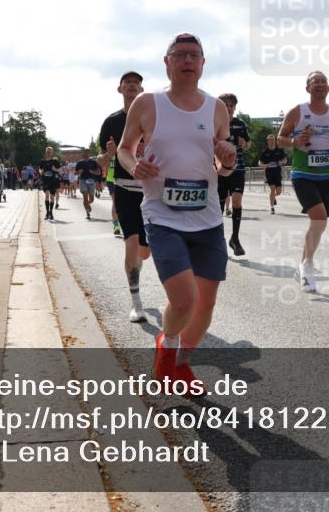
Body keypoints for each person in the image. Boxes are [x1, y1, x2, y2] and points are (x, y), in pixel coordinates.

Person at [117, 33, 236, 391]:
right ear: (167, 62)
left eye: (194, 55)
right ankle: (166, 347)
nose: (187, 60)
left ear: (202, 64)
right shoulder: (147, 103)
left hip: (208, 217)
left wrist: (228, 162)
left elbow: (222, 164)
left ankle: (180, 365)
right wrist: (134, 164)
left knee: (205, 303)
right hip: (162, 215)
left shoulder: (216, 108)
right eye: (179, 54)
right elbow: (125, 149)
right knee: (185, 299)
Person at [277, 71, 329, 292]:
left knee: (321, 220)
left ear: (328, 88)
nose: (320, 84)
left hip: (327, 175)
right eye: (315, 82)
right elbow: (281, 139)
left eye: (324, 82)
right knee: (318, 216)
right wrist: (296, 141)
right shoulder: (297, 112)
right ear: (307, 88)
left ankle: (303, 264)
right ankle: (308, 265)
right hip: (303, 174)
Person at [99, 70, 152, 322]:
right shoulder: (111, 122)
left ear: (142, 89)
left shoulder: (153, 117)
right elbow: (102, 160)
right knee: (131, 243)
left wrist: (147, 147)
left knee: (145, 251)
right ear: (120, 89)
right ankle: (136, 301)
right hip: (125, 188)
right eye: (127, 83)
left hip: (151, 191)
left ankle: (138, 269)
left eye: (136, 83)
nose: (132, 85)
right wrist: (109, 155)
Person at [217, 93, 251, 256]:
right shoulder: (214, 122)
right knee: (219, 206)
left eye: (231, 105)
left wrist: (244, 144)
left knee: (236, 201)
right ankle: (219, 239)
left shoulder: (240, 124)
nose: (228, 108)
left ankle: (235, 239)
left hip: (238, 167)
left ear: (234, 107)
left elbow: (248, 143)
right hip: (219, 169)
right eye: (225, 105)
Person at [258, 134, 288, 214]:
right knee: (273, 189)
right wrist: (263, 165)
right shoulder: (265, 152)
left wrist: (282, 162)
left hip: (277, 172)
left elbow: (285, 160)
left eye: (272, 139)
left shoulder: (279, 150)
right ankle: (272, 208)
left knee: (278, 192)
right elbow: (259, 162)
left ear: (274, 141)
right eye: (269, 140)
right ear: (267, 141)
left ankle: (273, 197)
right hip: (269, 173)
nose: (271, 141)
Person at [75, 148, 101, 219]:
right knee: (85, 196)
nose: (86, 154)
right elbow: (75, 172)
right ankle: (87, 213)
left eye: (87, 153)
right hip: (82, 181)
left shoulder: (93, 162)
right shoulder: (79, 163)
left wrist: (93, 172)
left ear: (89, 154)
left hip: (91, 181)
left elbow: (99, 172)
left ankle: (87, 204)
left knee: (92, 199)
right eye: (85, 153)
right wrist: (78, 172)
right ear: (82, 154)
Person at [38, 147, 62, 220]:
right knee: (47, 195)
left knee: (52, 197)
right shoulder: (43, 161)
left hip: (53, 181)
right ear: (45, 152)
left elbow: (60, 170)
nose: (48, 153)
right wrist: (40, 172)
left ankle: (51, 212)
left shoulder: (54, 161)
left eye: (50, 152)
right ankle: (47, 212)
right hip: (45, 180)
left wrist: (55, 169)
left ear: (52, 153)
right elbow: (40, 169)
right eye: (47, 152)